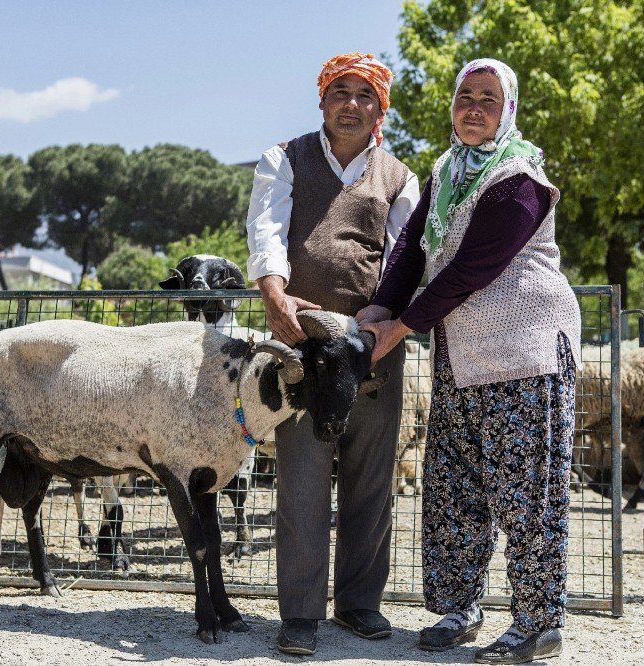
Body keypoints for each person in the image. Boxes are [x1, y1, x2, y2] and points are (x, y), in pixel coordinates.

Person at [358, 58, 581, 665]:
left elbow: (472, 268)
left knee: (526, 491)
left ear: (507, 109)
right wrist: (381, 304)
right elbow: (411, 247)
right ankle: (461, 606)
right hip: (461, 357)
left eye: (488, 98)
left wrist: (401, 326)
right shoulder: (447, 170)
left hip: (523, 352)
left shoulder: (519, 178)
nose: (473, 107)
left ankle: (539, 620)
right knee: (456, 486)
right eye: (465, 96)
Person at [245, 51, 420, 656]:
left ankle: (359, 604)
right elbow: (266, 229)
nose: (351, 103)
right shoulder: (284, 159)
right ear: (322, 100)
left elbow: (403, 258)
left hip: (373, 347)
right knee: (301, 478)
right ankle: (299, 613)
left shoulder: (400, 177)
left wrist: (386, 327)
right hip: (301, 343)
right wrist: (274, 296)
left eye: (364, 95)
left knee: (372, 478)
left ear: (380, 108)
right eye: (340, 92)